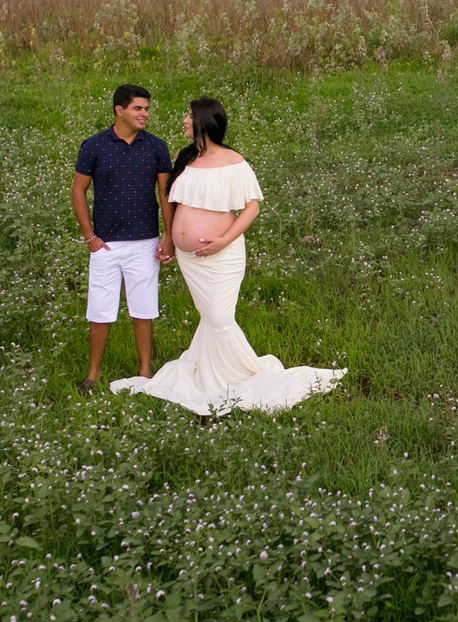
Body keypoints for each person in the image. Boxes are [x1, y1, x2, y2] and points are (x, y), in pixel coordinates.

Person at [110, 97, 345, 415]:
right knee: (210, 318)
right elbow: (176, 203)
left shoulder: (233, 160)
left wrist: (222, 241)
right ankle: (209, 373)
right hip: (191, 258)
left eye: (189, 116)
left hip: (222, 256)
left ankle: (232, 378)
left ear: (204, 121)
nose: (184, 120)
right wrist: (171, 239)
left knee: (219, 318)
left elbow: (252, 207)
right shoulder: (185, 157)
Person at [71, 83, 175, 395]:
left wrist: (168, 236)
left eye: (146, 108)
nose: (145, 114)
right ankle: (92, 375)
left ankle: (145, 372)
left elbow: (165, 193)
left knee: (143, 308)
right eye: (138, 108)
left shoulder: (156, 147)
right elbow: (78, 190)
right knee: (99, 309)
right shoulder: (94, 146)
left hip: (145, 242)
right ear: (120, 110)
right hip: (105, 244)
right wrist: (89, 236)